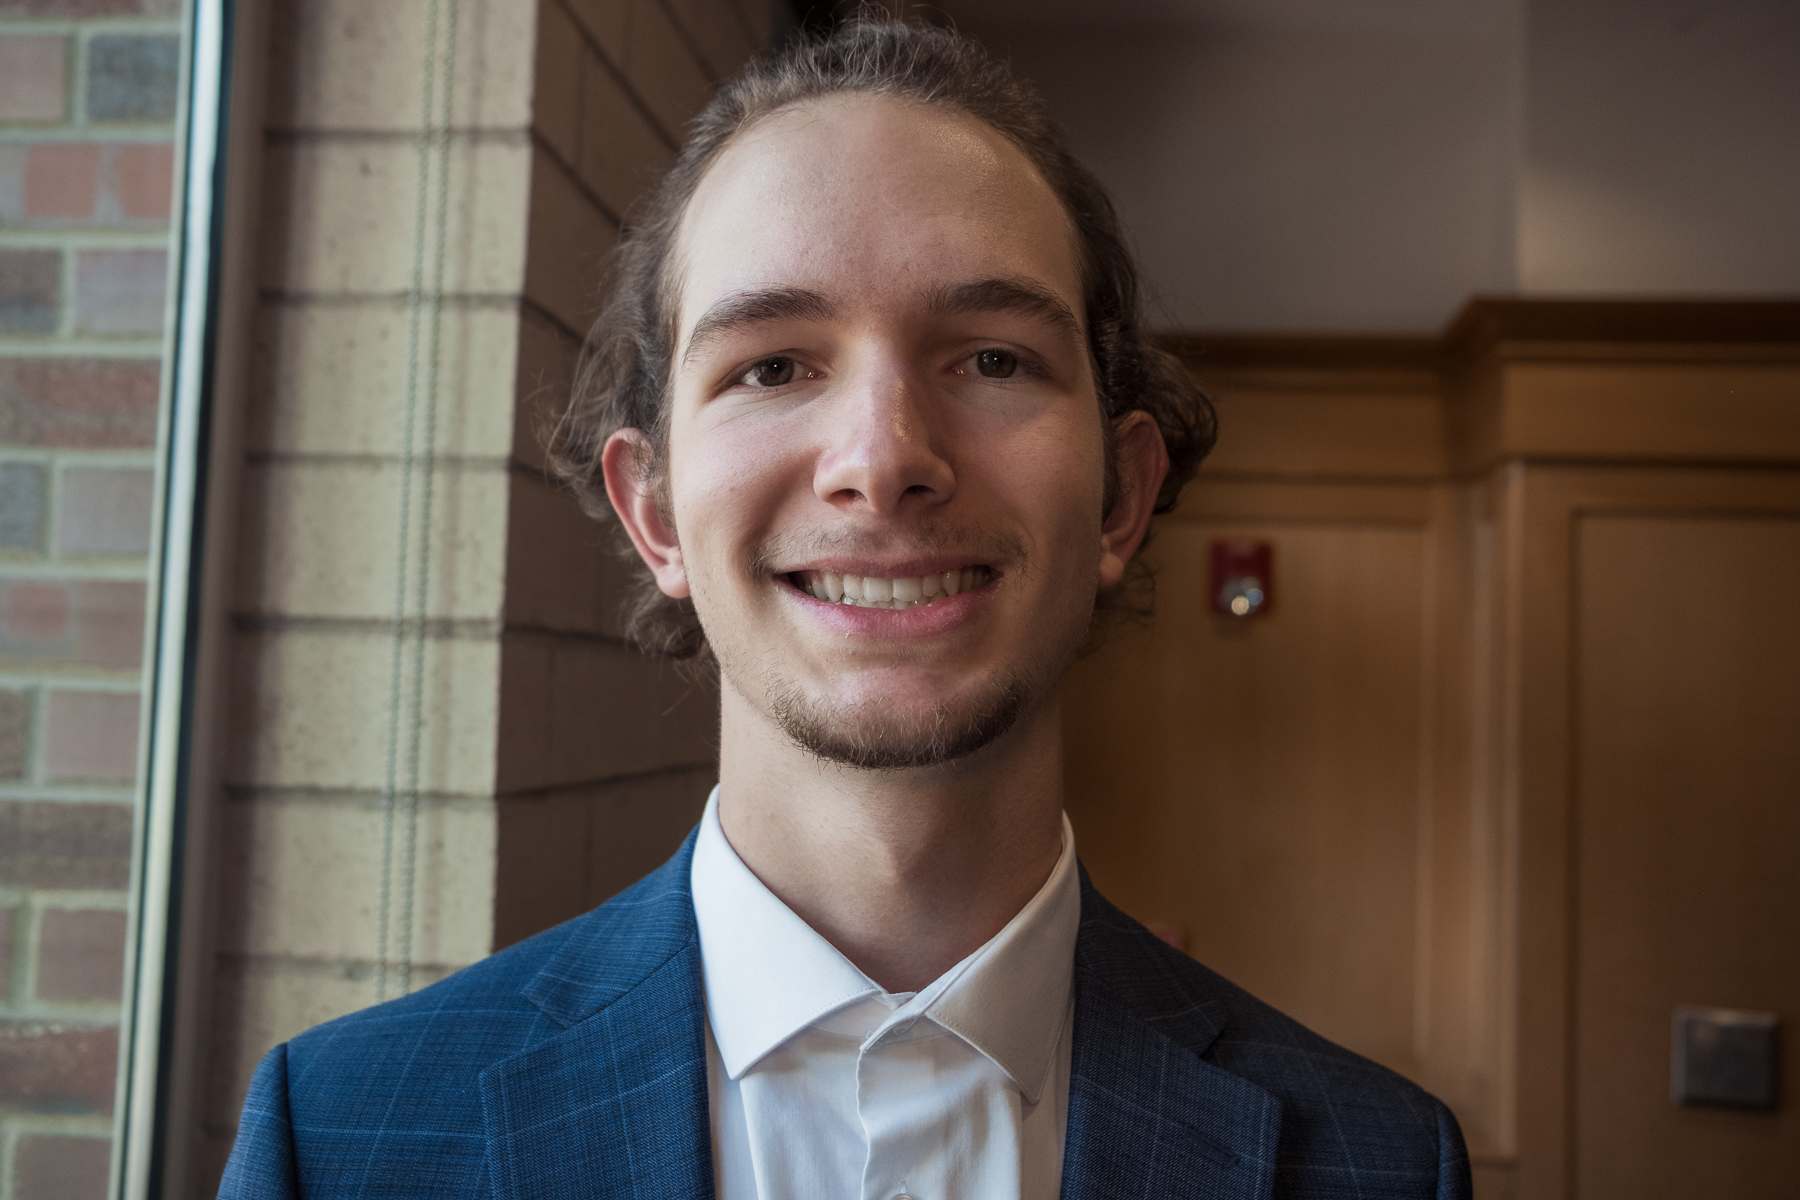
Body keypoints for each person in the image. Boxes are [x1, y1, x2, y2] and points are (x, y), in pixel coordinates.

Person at [221, 19, 1470, 1200]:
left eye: (991, 358)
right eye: (771, 366)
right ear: (653, 511)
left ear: (1120, 500)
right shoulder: (335, 1141)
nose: (883, 457)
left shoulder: (1378, 1164)